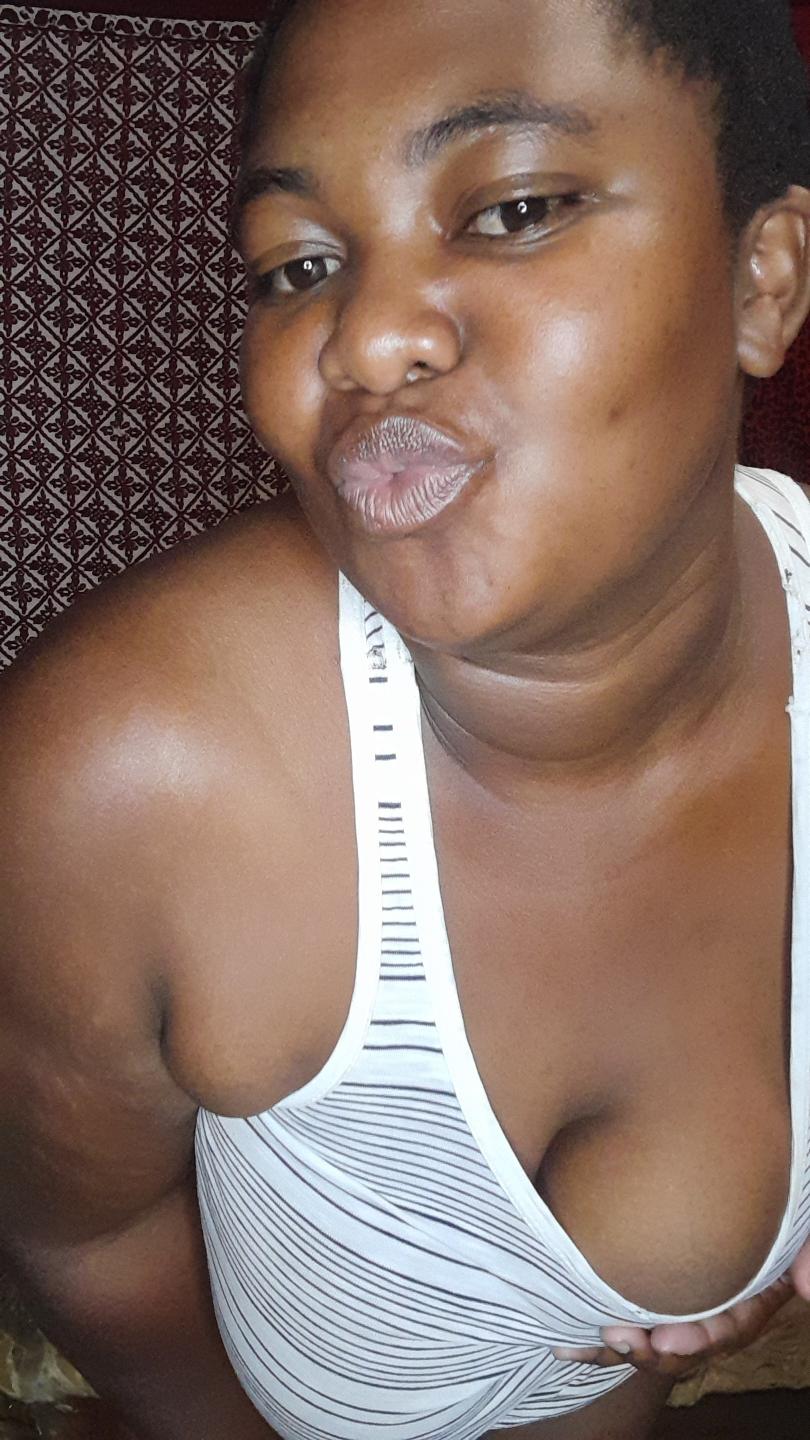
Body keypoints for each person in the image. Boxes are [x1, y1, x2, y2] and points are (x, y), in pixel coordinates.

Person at [2, 0, 810, 1436]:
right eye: (297, 266)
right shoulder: (125, 777)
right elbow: (86, 1237)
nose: (365, 340)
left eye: (513, 210)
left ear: (762, 280)